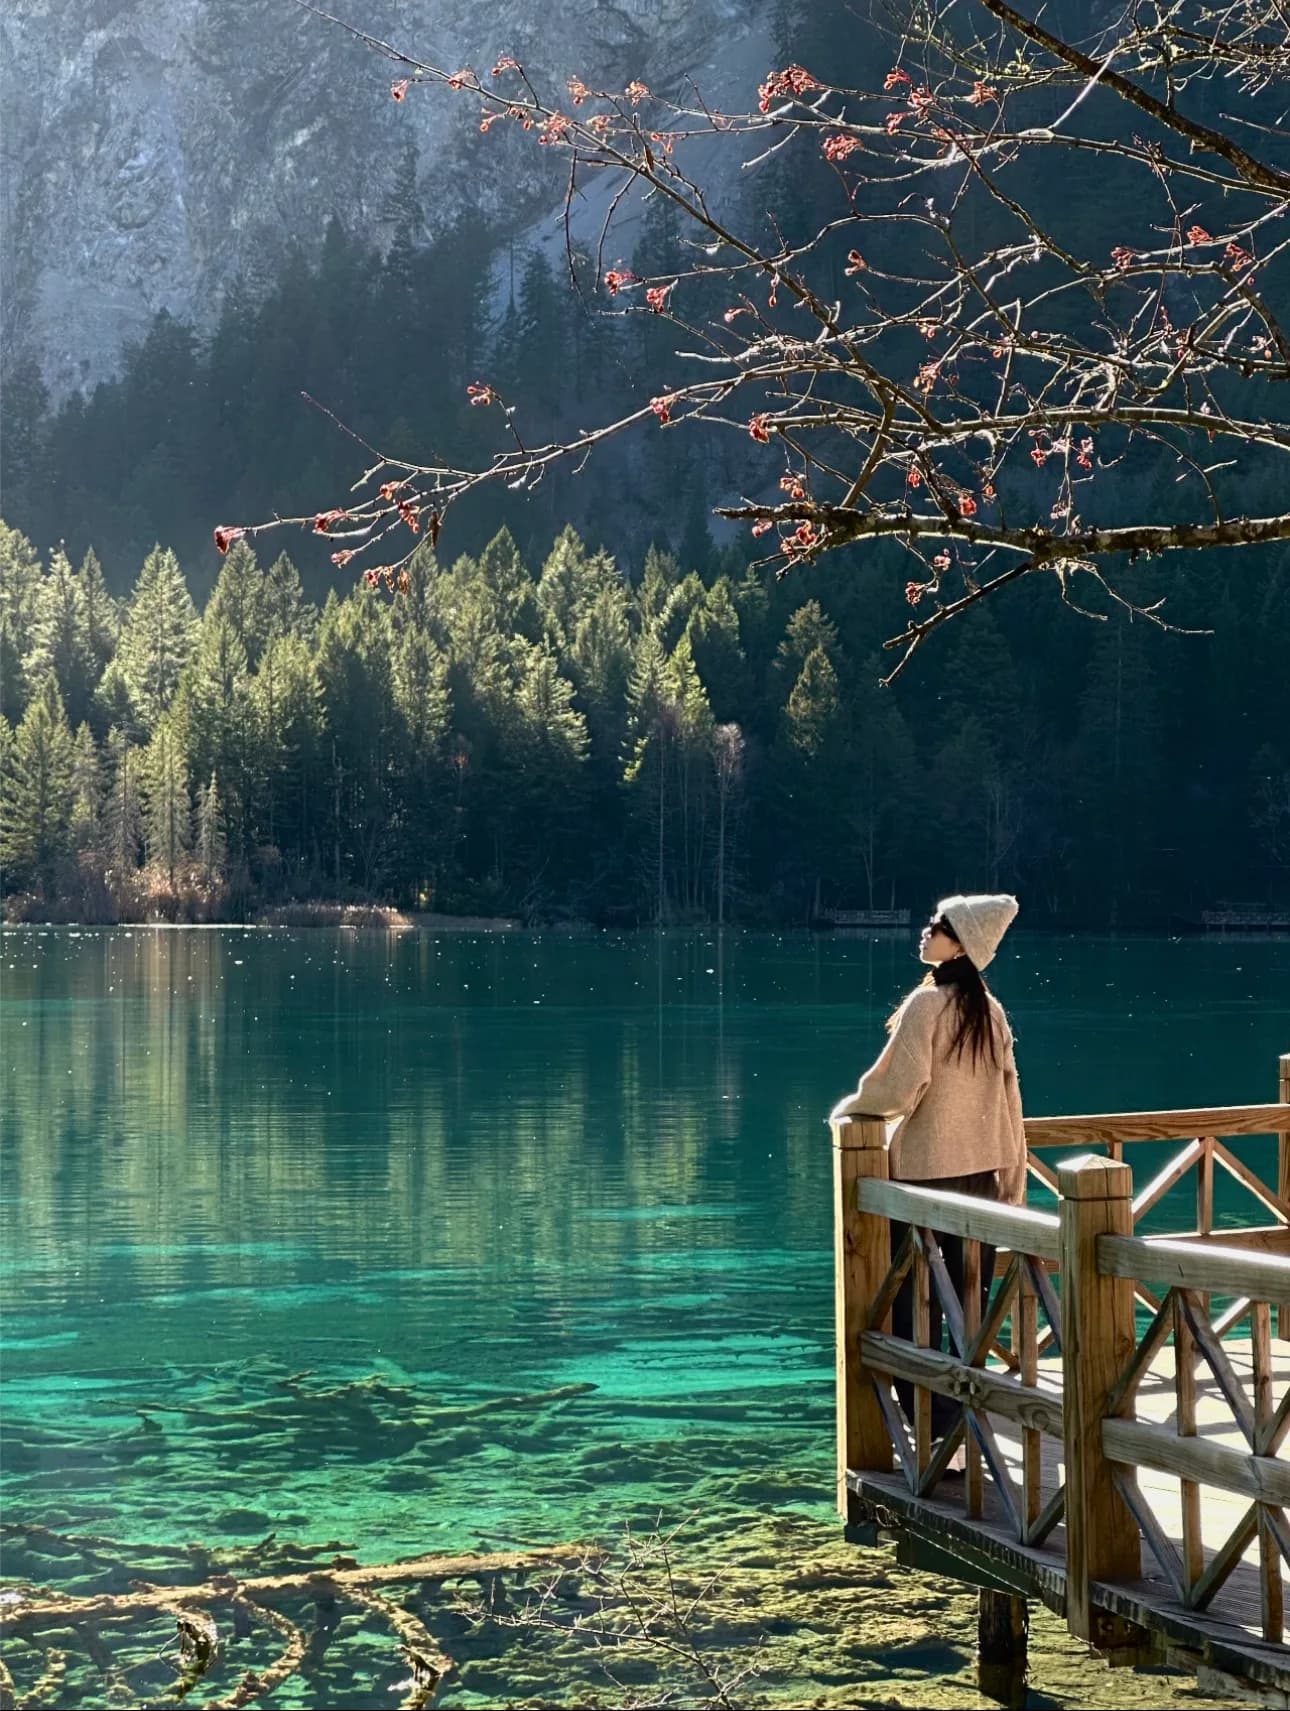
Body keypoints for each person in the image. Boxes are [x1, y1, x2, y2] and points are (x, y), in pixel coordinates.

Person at [830, 893, 1027, 1442]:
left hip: (922, 1180)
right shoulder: (989, 1010)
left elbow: (899, 1087)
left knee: (909, 1310)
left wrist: (849, 1111)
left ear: (961, 944)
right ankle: (962, 1429)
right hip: (981, 1178)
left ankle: (933, 1430)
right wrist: (1014, 1183)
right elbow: (1011, 1100)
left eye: (938, 926)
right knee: (968, 1309)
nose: (925, 930)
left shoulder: (927, 1005)